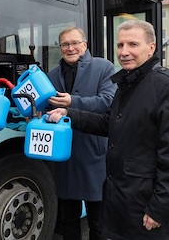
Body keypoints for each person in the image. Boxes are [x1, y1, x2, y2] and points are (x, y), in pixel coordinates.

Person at [47, 19, 169, 239]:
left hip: (145, 203)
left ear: (151, 47)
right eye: (120, 45)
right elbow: (108, 123)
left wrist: (159, 207)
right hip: (120, 197)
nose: (124, 52)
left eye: (133, 45)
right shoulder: (127, 84)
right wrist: (69, 114)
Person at [47, 26, 116, 240]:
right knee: (68, 223)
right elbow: (47, 106)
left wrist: (72, 102)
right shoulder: (51, 74)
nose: (70, 48)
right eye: (65, 44)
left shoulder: (104, 67)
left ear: (84, 45)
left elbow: (109, 101)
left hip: (93, 156)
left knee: (99, 222)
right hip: (63, 158)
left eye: (75, 43)